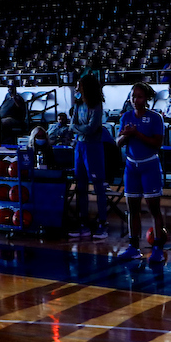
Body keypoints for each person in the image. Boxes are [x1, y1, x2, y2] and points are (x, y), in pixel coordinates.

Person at [116, 82, 167, 263]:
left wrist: (136, 134)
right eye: (133, 96)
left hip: (149, 165)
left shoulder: (155, 118)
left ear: (146, 99)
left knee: (154, 209)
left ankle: (158, 248)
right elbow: (118, 143)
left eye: (139, 96)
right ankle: (133, 246)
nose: (135, 100)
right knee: (132, 209)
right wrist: (126, 135)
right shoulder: (126, 117)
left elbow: (157, 144)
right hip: (131, 166)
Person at [71, 74, 109, 240]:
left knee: (98, 186)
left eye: (79, 86)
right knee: (81, 187)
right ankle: (84, 223)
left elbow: (91, 128)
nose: (77, 89)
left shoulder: (97, 105)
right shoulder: (78, 105)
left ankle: (103, 223)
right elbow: (73, 125)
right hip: (79, 147)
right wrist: (81, 129)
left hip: (93, 147)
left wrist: (79, 129)